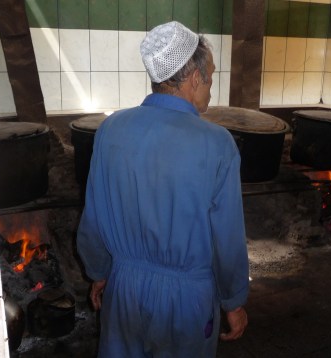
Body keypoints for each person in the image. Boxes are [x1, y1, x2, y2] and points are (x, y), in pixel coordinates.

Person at [76, 21, 249, 357]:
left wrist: (99, 272)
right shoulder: (216, 143)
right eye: (210, 78)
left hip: (123, 290)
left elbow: (93, 218)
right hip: (186, 301)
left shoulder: (110, 130)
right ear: (195, 78)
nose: (211, 88)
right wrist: (233, 301)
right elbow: (226, 237)